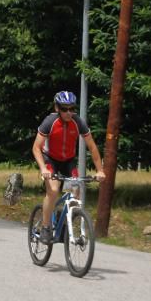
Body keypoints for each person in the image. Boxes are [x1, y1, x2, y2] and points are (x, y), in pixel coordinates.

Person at [31, 90, 105, 243]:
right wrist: (43, 169)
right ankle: (45, 227)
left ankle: (64, 224)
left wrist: (100, 170)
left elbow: (92, 147)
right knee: (53, 191)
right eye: (64, 109)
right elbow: (36, 148)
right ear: (57, 108)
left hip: (68, 161)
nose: (69, 112)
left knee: (75, 193)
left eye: (72, 109)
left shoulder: (78, 122)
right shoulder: (49, 122)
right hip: (50, 160)